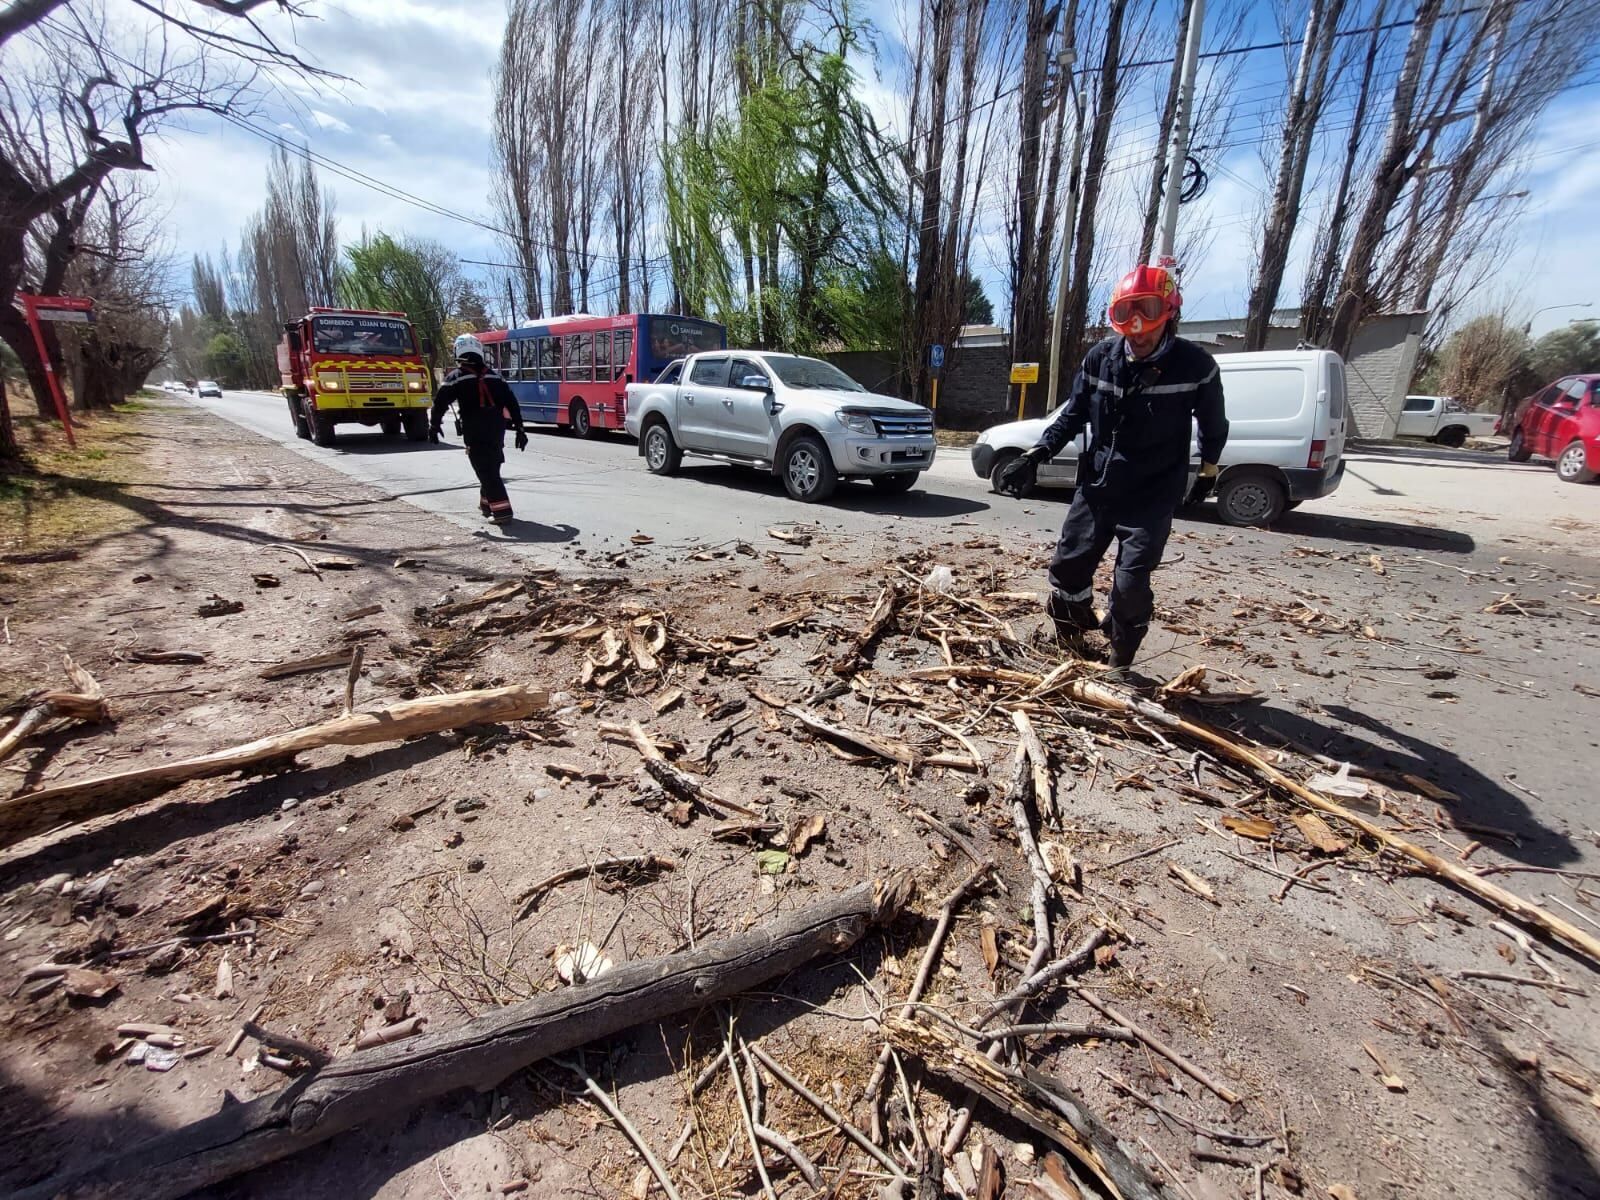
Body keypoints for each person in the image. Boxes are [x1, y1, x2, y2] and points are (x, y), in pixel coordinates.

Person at [998, 264, 1228, 669]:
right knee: (1068, 567)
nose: (1137, 330)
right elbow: (1073, 415)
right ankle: (1070, 643)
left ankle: (1120, 661)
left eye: (1148, 314)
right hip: (1099, 485)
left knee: (1130, 584)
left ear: (1170, 313)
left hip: (1152, 494)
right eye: (1125, 317)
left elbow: (1213, 424)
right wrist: (1037, 454)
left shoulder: (1196, 366)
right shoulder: (1100, 358)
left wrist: (1208, 470)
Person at [430, 334, 529, 525]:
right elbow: (512, 402)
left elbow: (440, 403)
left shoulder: (456, 377)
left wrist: (434, 426)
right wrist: (520, 428)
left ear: (458, 351)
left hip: (475, 430)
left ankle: (502, 512)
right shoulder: (495, 376)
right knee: (491, 464)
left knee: (485, 470)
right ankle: (487, 504)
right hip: (496, 429)